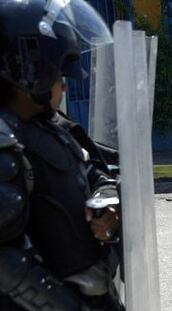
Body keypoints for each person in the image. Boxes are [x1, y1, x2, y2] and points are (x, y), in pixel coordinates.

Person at [0, 0, 124, 310]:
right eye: (59, 76)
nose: (65, 86)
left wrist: (105, 199)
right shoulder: (5, 141)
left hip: (97, 293)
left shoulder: (54, 126)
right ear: (30, 69)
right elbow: (6, 262)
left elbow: (94, 169)